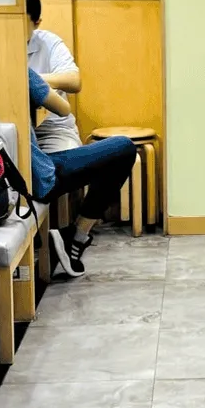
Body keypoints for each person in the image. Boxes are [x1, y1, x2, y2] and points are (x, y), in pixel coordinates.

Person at [28, 69, 137, 278]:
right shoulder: (18, 71)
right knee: (123, 149)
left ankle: (74, 237)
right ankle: (78, 235)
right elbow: (63, 109)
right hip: (35, 180)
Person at [25, 0, 83, 151]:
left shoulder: (48, 42)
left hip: (52, 129)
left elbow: (74, 81)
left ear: (37, 23)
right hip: (10, 129)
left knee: (63, 161)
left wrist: (32, 80)